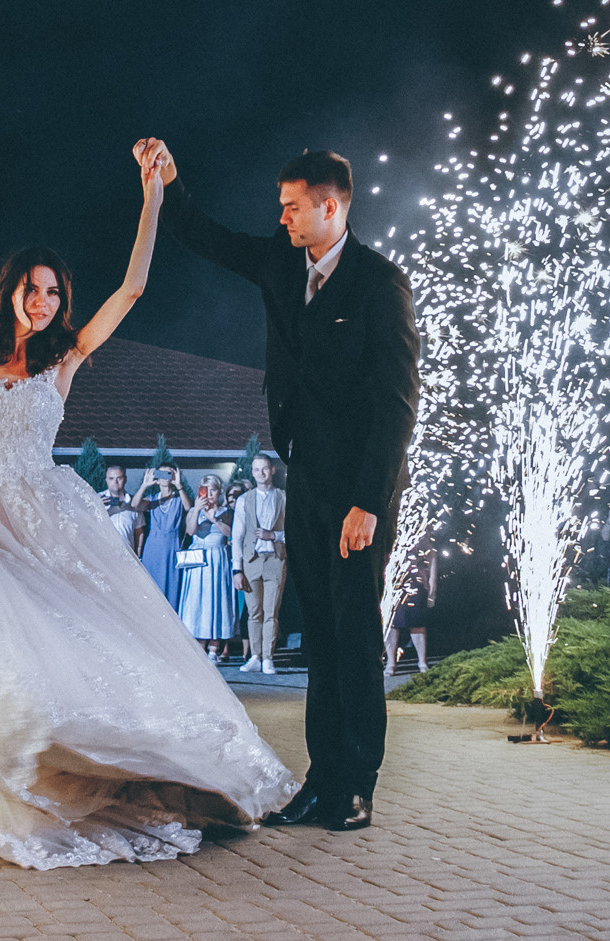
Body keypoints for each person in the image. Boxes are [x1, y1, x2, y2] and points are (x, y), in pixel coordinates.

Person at [0, 143, 295, 870]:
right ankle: (0, 787)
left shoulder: (65, 357)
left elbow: (133, 288)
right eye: (32, 289)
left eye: (53, 293)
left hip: (43, 522)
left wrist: (153, 195)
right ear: (10, 291)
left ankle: (106, 774)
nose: (42, 302)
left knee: (75, 649)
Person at [147, 140, 420, 832]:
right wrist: (170, 182)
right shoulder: (280, 260)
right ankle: (321, 780)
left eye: (293, 207)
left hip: (359, 491)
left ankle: (356, 784)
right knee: (320, 634)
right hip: (306, 476)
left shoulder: (379, 284)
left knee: (354, 635)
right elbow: (207, 238)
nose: (283, 218)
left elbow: (397, 404)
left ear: (331, 207)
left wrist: (368, 502)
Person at [232, 453, 287, 675]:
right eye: (256, 469)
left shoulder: (283, 497)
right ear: (252, 472)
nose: (260, 473)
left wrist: (273, 535)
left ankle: (268, 658)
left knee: (271, 612)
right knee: (254, 611)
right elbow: (237, 536)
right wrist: (237, 569)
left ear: (272, 470)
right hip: (251, 561)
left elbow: (295, 530)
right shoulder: (244, 500)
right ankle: (255, 656)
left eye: (264, 468)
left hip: (275, 559)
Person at [178, 474, 237, 660]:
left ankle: (214, 646)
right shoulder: (194, 510)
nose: (210, 494)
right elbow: (190, 531)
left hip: (217, 559)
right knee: (197, 601)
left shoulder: (227, 512)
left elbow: (230, 533)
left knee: (216, 600)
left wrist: (214, 520)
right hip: (198, 560)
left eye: (213, 490)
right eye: (206, 490)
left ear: (219, 492)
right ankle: (198, 644)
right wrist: (197, 510)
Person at [134, 464, 189, 607]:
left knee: (172, 587)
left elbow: (189, 508)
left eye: (168, 473)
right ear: (157, 478)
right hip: (154, 548)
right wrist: (144, 485)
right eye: (161, 474)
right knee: (152, 587)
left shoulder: (178, 498)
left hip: (172, 547)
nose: (165, 477)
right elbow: (135, 506)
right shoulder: (152, 499)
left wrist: (179, 486)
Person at [385, 549, 437, 676]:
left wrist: (432, 584)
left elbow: (431, 557)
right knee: (391, 623)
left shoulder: (422, 542)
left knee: (417, 622)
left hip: (416, 582)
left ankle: (422, 662)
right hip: (392, 582)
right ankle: (391, 663)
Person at [100, 465, 144, 555]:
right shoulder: (95, 500)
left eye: (119, 478)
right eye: (111, 478)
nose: (115, 482)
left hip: (127, 555)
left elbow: (139, 531)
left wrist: (138, 554)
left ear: (125, 479)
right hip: (103, 555)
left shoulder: (134, 503)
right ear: (106, 480)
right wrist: (96, 507)